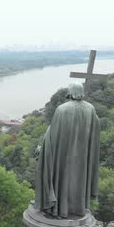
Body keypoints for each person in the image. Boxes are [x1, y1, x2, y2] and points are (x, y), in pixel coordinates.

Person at [34, 82, 100, 218]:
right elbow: (95, 133)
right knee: (78, 179)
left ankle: (56, 208)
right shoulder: (90, 109)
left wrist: (42, 149)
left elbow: (52, 136)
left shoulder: (62, 110)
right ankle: (77, 207)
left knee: (61, 178)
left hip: (63, 156)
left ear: (70, 92)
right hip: (82, 157)